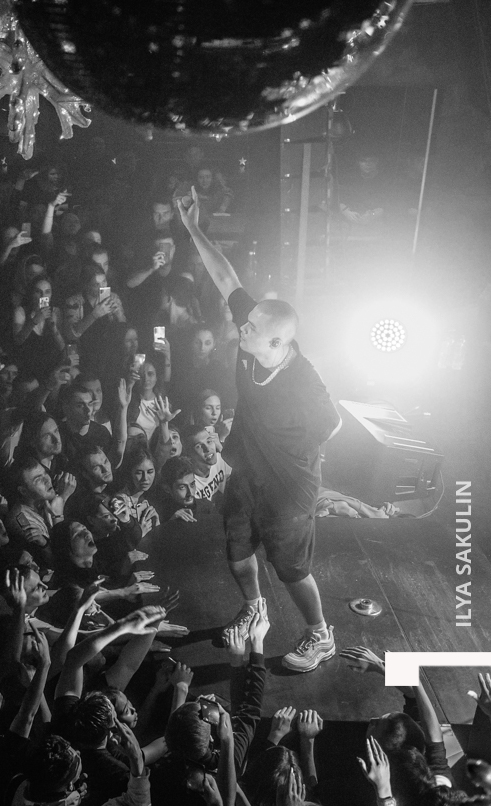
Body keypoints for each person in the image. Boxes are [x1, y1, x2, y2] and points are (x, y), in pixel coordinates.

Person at [176, 184, 343, 672]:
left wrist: (294, 452)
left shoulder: (302, 380)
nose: (241, 328)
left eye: (250, 329)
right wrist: (192, 227)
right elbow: (225, 276)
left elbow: (332, 425)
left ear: (275, 343)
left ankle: (320, 635)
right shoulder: (256, 329)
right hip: (248, 469)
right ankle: (252, 606)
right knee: (237, 549)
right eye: (244, 322)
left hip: (289, 485)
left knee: (291, 568)